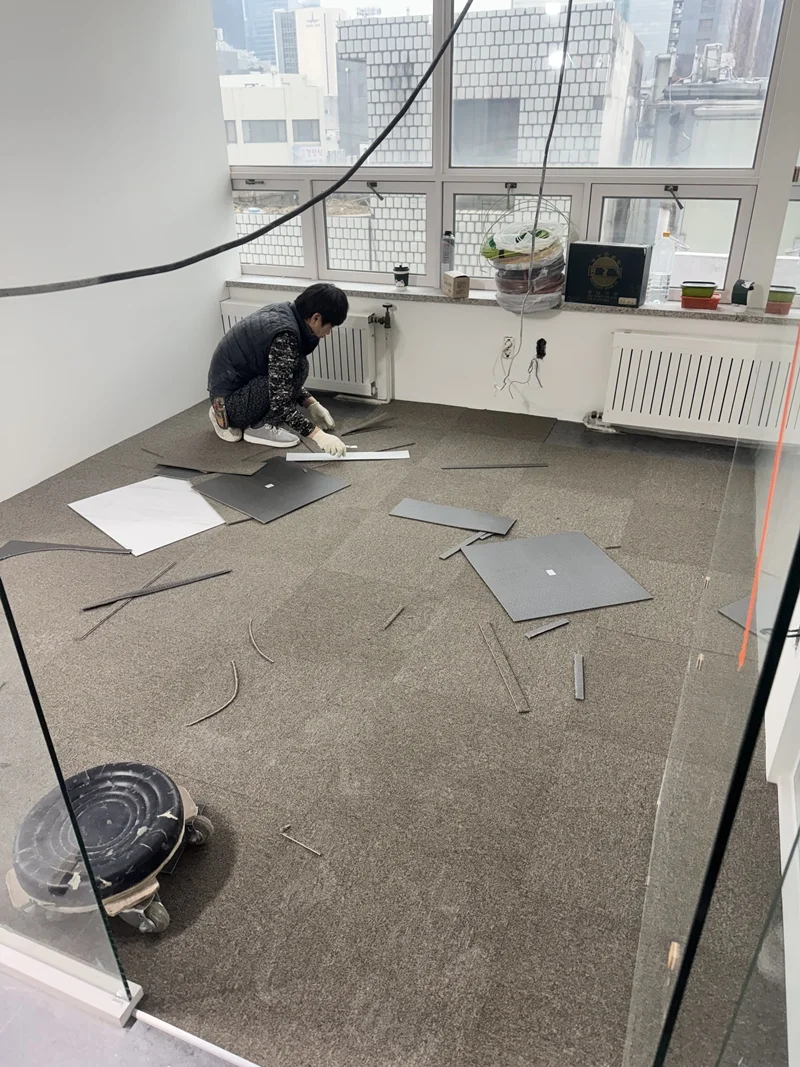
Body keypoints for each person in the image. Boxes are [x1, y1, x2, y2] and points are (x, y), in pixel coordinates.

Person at [207, 284, 349, 456]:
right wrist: (319, 436)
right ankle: (258, 427)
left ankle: (240, 416)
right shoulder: (285, 336)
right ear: (316, 318)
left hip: (230, 393)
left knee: (298, 365)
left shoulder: (286, 311)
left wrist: (310, 403)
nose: (329, 333)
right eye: (330, 326)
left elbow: (281, 374)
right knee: (299, 368)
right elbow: (280, 402)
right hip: (227, 405)